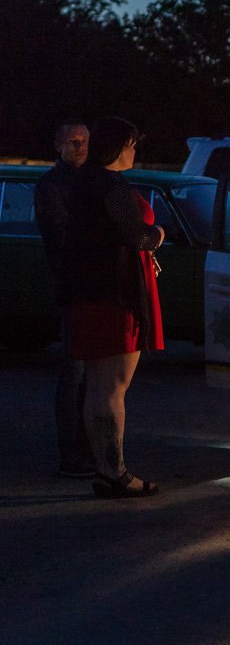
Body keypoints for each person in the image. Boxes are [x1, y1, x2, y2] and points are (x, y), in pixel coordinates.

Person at [62, 117, 165, 499]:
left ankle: (106, 468)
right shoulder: (112, 185)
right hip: (116, 296)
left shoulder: (83, 183)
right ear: (119, 147)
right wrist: (159, 234)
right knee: (113, 388)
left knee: (97, 387)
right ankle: (115, 471)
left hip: (89, 294)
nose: (135, 151)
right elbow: (138, 236)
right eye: (132, 143)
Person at [34, 119, 94, 477]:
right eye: (73, 141)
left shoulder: (88, 181)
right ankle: (71, 452)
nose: (80, 147)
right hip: (74, 287)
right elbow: (61, 235)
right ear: (58, 145)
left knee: (89, 374)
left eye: (84, 141)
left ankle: (86, 448)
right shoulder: (52, 186)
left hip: (90, 288)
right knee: (74, 372)